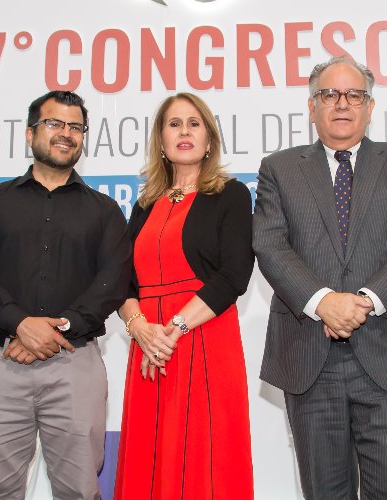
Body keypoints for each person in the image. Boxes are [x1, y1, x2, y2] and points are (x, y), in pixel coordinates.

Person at [254, 55, 387, 500]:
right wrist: (323, 302)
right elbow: (270, 245)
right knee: (324, 492)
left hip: (386, 355)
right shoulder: (279, 169)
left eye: (354, 95)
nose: (341, 103)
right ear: (312, 106)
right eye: (329, 94)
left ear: (370, 107)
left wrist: (365, 301)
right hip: (309, 358)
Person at [0, 90, 132, 499]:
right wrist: (19, 323)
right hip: (2, 361)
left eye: (76, 127)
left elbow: (112, 282)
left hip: (75, 364)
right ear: (29, 133)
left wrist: (58, 329)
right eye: (54, 123)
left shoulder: (105, 211)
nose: (65, 133)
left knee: (79, 490)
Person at [112, 93, 256, 499]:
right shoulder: (144, 204)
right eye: (174, 124)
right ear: (161, 140)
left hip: (203, 336)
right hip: (148, 345)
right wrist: (139, 327)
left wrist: (173, 329)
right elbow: (122, 282)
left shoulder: (230, 194)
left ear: (209, 139)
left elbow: (234, 275)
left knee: (205, 458)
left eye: (194, 123)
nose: (184, 131)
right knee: (149, 456)